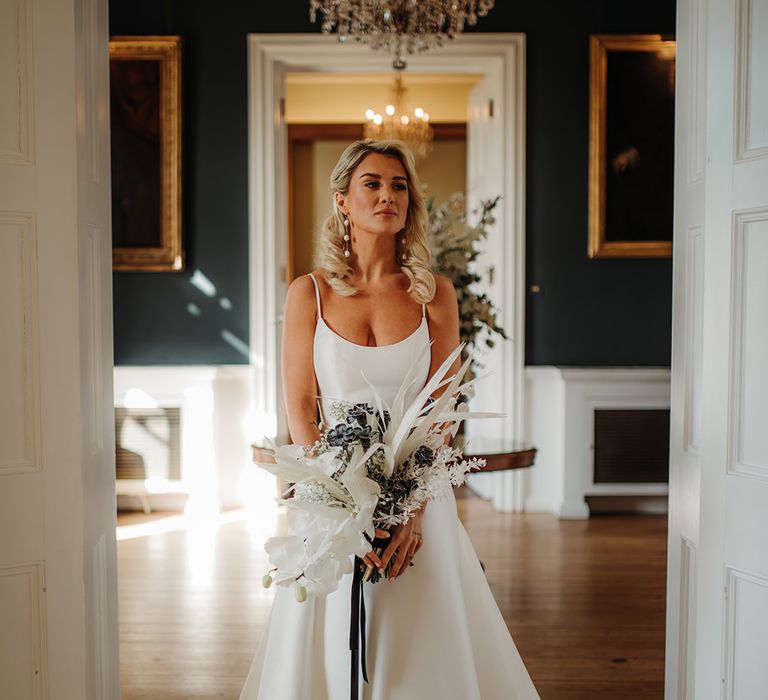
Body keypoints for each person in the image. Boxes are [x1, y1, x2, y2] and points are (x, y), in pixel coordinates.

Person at [239, 139, 540, 699]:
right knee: (326, 643)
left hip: (421, 502)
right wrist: (341, 507)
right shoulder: (309, 294)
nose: (387, 196)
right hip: (330, 502)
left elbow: (441, 413)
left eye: (399, 186)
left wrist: (413, 512)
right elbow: (302, 408)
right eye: (372, 185)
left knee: (420, 640)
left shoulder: (435, 296)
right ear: (343, 202)